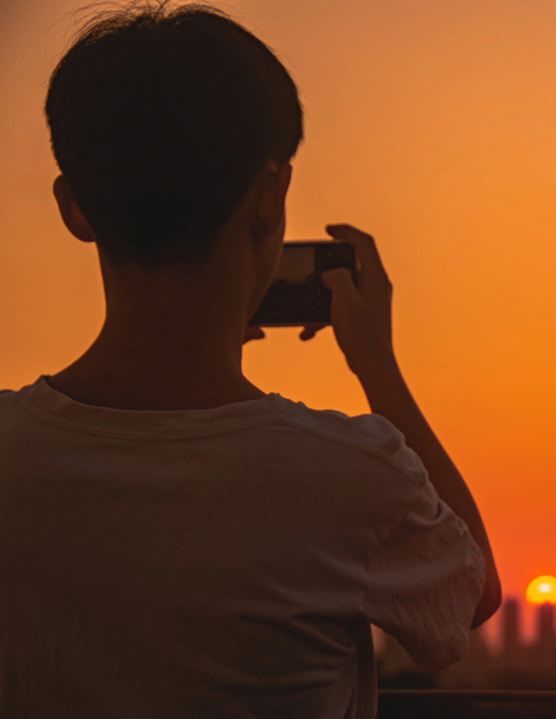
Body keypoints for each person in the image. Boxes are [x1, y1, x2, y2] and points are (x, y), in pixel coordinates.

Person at [0, 3, 500, 718]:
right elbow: (472, 591)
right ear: (270, 201)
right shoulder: (346, 477)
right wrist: (378, 368)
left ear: (74, 207)